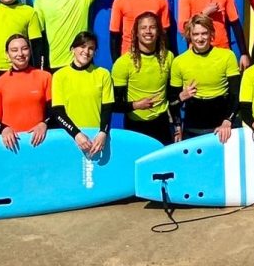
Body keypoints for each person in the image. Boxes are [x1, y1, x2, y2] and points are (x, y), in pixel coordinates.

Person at [169, 14, 242, 142]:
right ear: (189, 36)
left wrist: (228, 120)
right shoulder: (179, 62)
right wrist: (177, 126)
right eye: (196, 34)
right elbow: (172, 101)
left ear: (211, 34)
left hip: (222, 127)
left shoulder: (227, 56)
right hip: (193, 127)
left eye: (204, 33)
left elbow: (236, 93)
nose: (200, 38)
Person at [111, 12, 177, 144]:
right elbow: (113, 104)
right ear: (136, 33)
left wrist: (177, 124)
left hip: (162, 123)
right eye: (143, 28)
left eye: (152, 27)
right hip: (135, 125)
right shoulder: (123, 63)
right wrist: (136, 105)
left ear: (158, 32)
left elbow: (171, 95)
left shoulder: (168, 57)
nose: (148, 31)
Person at [49, 32, 115, 157]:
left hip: (96, 140)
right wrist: (76, 134)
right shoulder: (59, 76)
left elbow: (107, 109)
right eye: (82, 46)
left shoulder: (103, 74)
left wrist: (103, 133)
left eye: (91, 48)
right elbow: (58, 112)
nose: (86, 51)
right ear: (73, 49)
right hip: (70, 137)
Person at [0, 34, 53, 152]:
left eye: (24, 49)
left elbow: (54, 110)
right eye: (14, 50)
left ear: (30, 51)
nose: (20, 54)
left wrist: (44, 124)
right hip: (12, 146)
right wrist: (4, 129)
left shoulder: (45, 77)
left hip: (41, 143)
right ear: (7, 55)